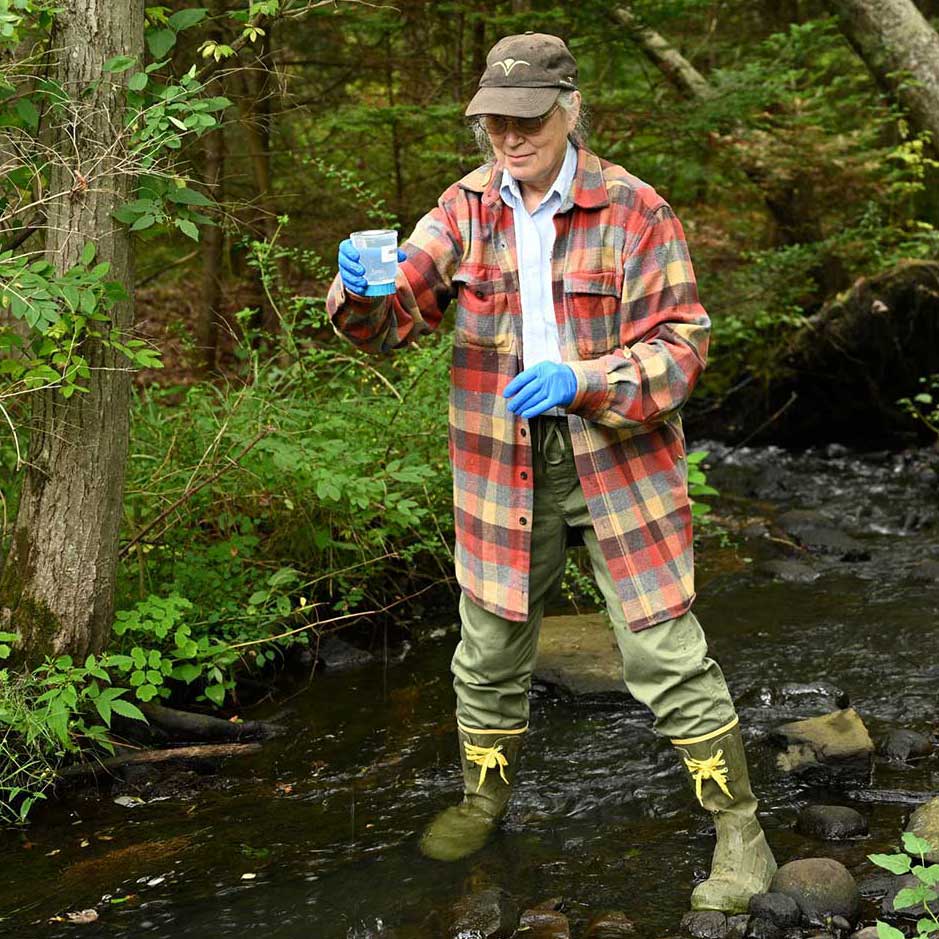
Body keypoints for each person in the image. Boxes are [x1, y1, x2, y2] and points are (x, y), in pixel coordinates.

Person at [327, 32, 776, 913]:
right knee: (489, 643)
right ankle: (483, 798)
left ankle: (740, 832)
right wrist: (360, 292)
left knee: (661, 648)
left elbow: (683, 348)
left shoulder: (635, 209)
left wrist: (588, 379)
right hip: (502, 463)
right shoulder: (463, 208)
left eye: (524, 118)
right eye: (492, 120)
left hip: (617, 457)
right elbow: (389, 327)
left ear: (569, 109)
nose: (506, 137)